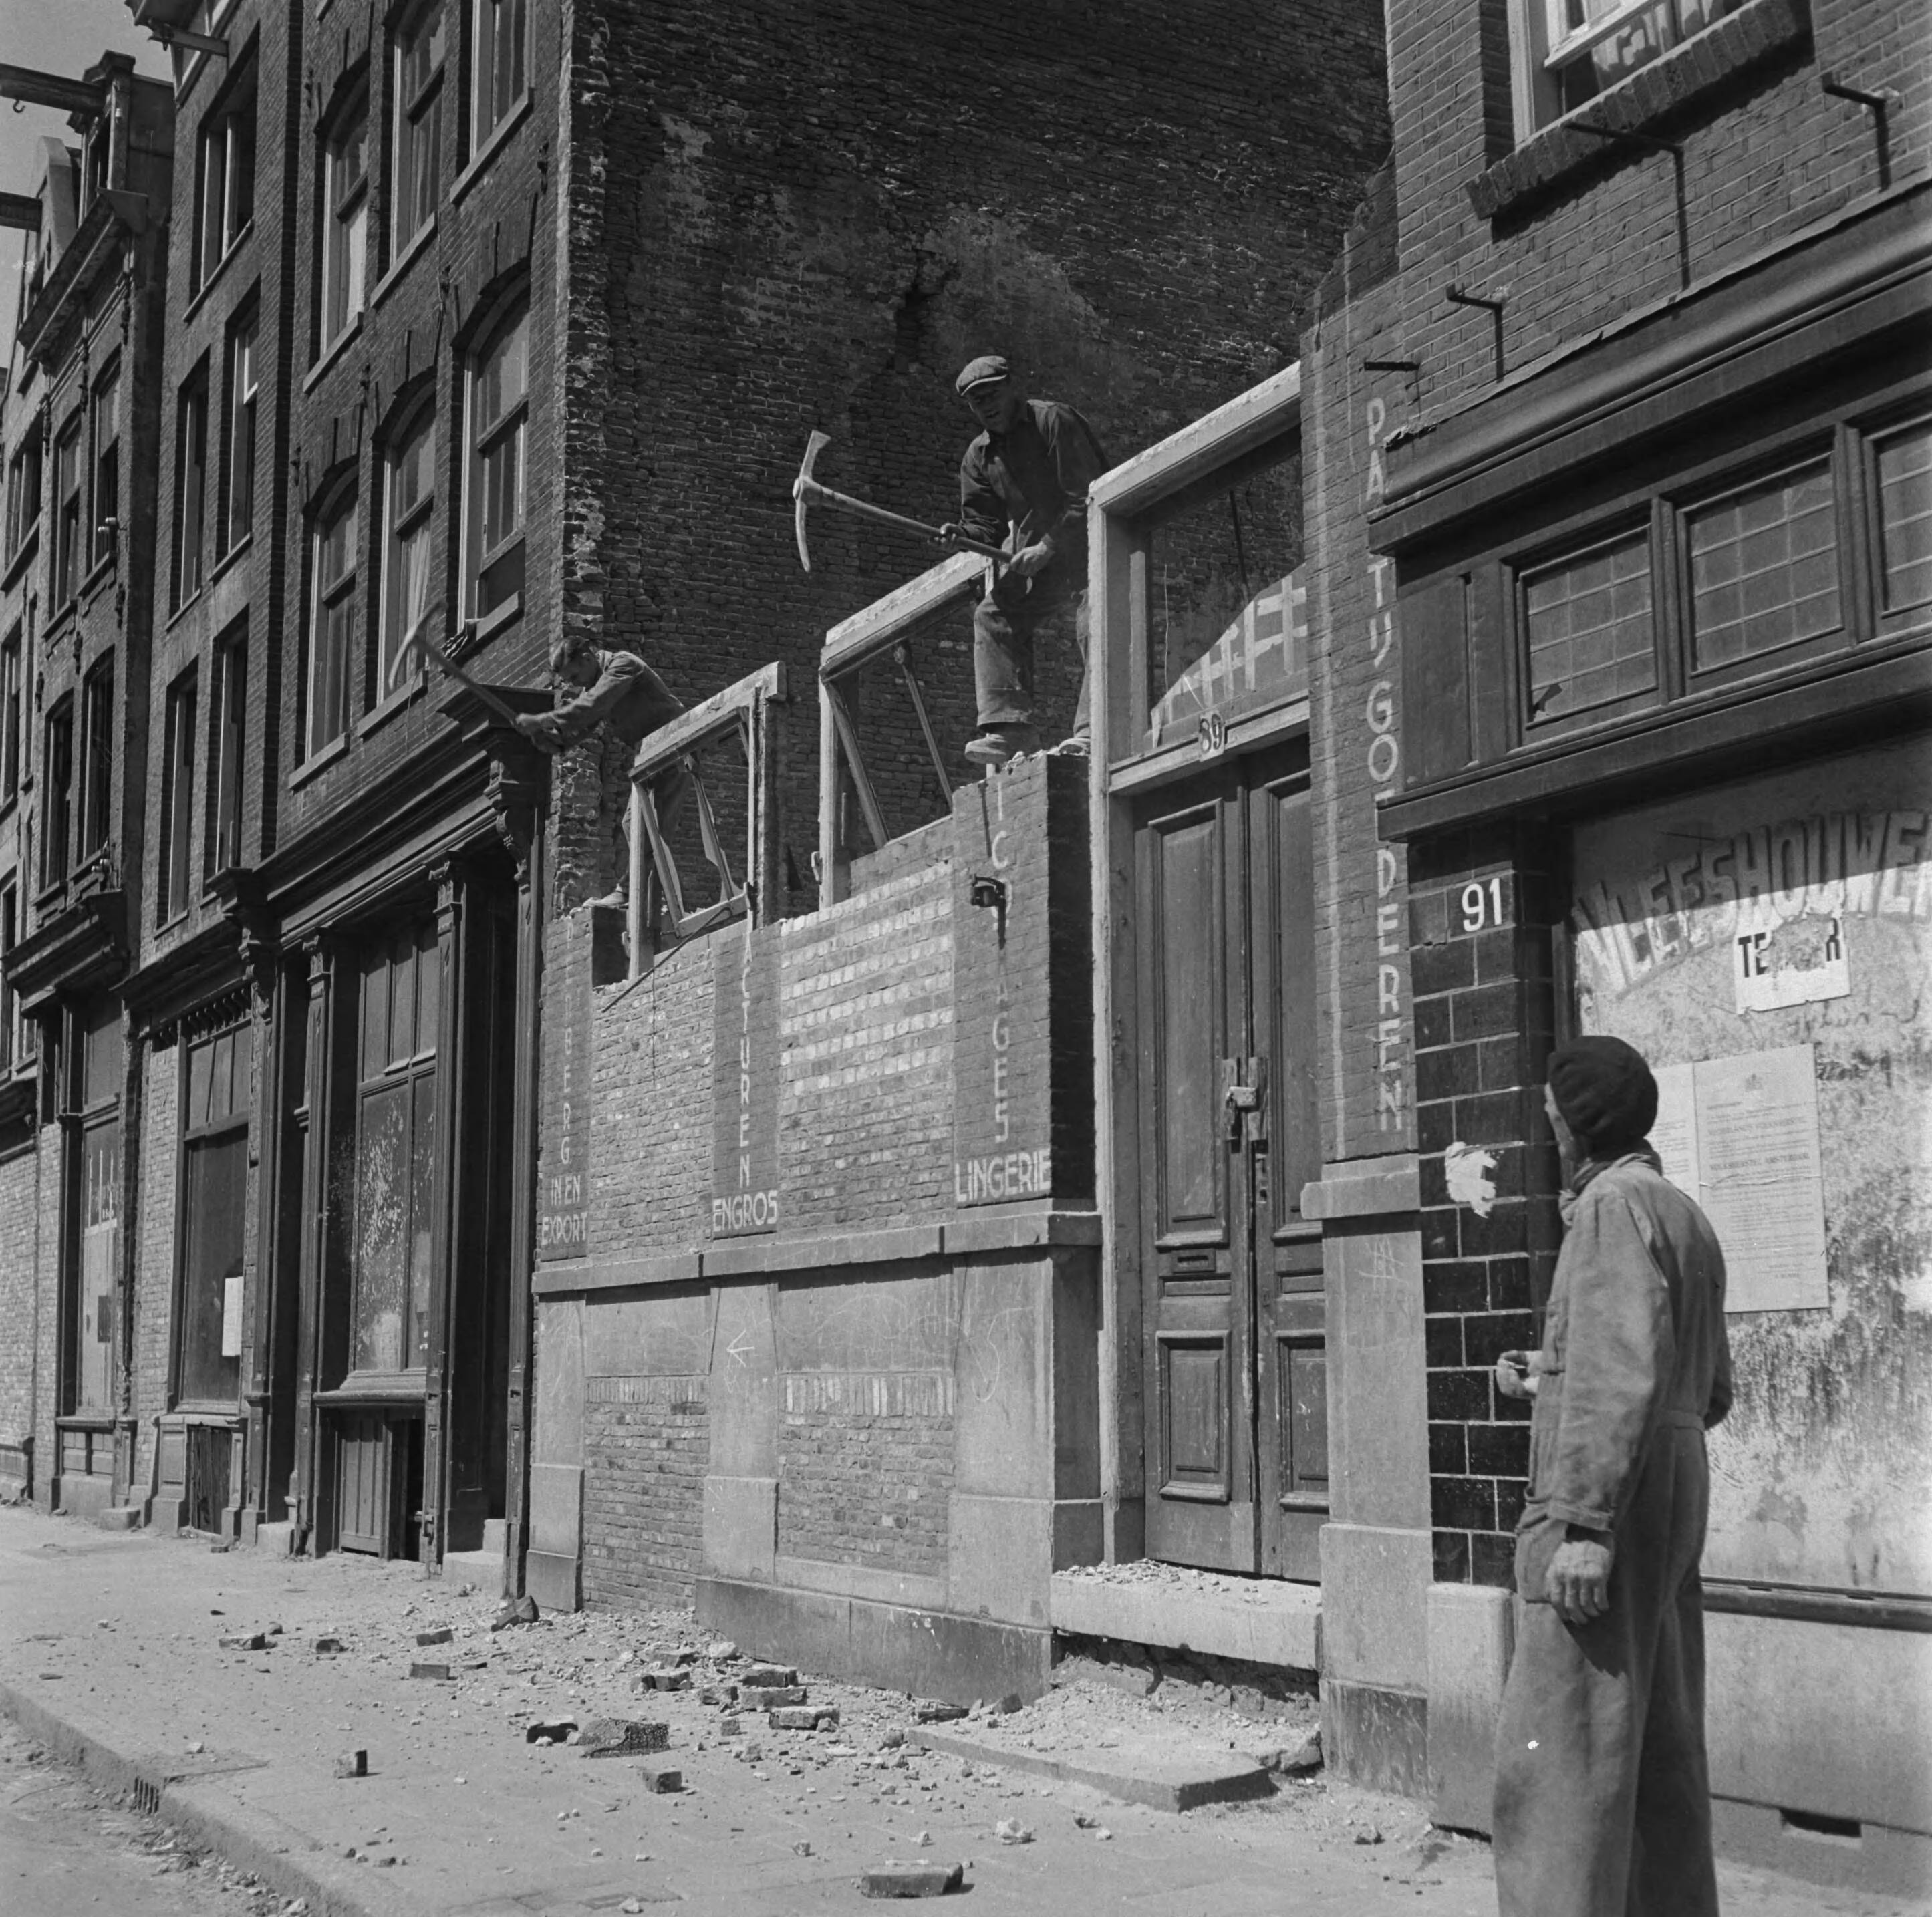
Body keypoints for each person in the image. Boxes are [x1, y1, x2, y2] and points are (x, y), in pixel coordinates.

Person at [1491, 1034, 1733, 1917]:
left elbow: (1620, 1372)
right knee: (1657, 1748)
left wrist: (1585, 1527)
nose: (1549, 1129)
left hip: (1608, 1508)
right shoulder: (1679, 1212)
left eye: (1552, 1115)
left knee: (1565, 1759)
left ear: (1575, 1125)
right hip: (1671, 1488)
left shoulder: (1605, 1208)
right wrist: (1550, 1376)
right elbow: (1703, 1391)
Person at [941, 355, 1107, 767]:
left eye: (992, 394)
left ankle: (1095, 730)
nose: (987, 406)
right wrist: (962, 536)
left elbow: (1086, 493)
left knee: (1096, 620)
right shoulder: (979, 456)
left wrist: (1047, 546)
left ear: (1012, 387)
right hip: (1043, 559)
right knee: (994, 615)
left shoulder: (1052, 421)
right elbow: (985, 525)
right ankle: (1011, 730)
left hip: (1094, 540)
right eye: (977, 401)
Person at [514, 637, 687, 911]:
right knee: (633, 824)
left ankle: (651, 898)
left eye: (574, 676)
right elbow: (583, 726)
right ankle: (639, 894)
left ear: (587, 659)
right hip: (651, 754)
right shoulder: (595, 683)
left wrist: (542, 720)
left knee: (650, 826)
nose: (574, 684)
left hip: (675, 744)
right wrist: (555, 740)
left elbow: (592, 706)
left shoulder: (623, 665)